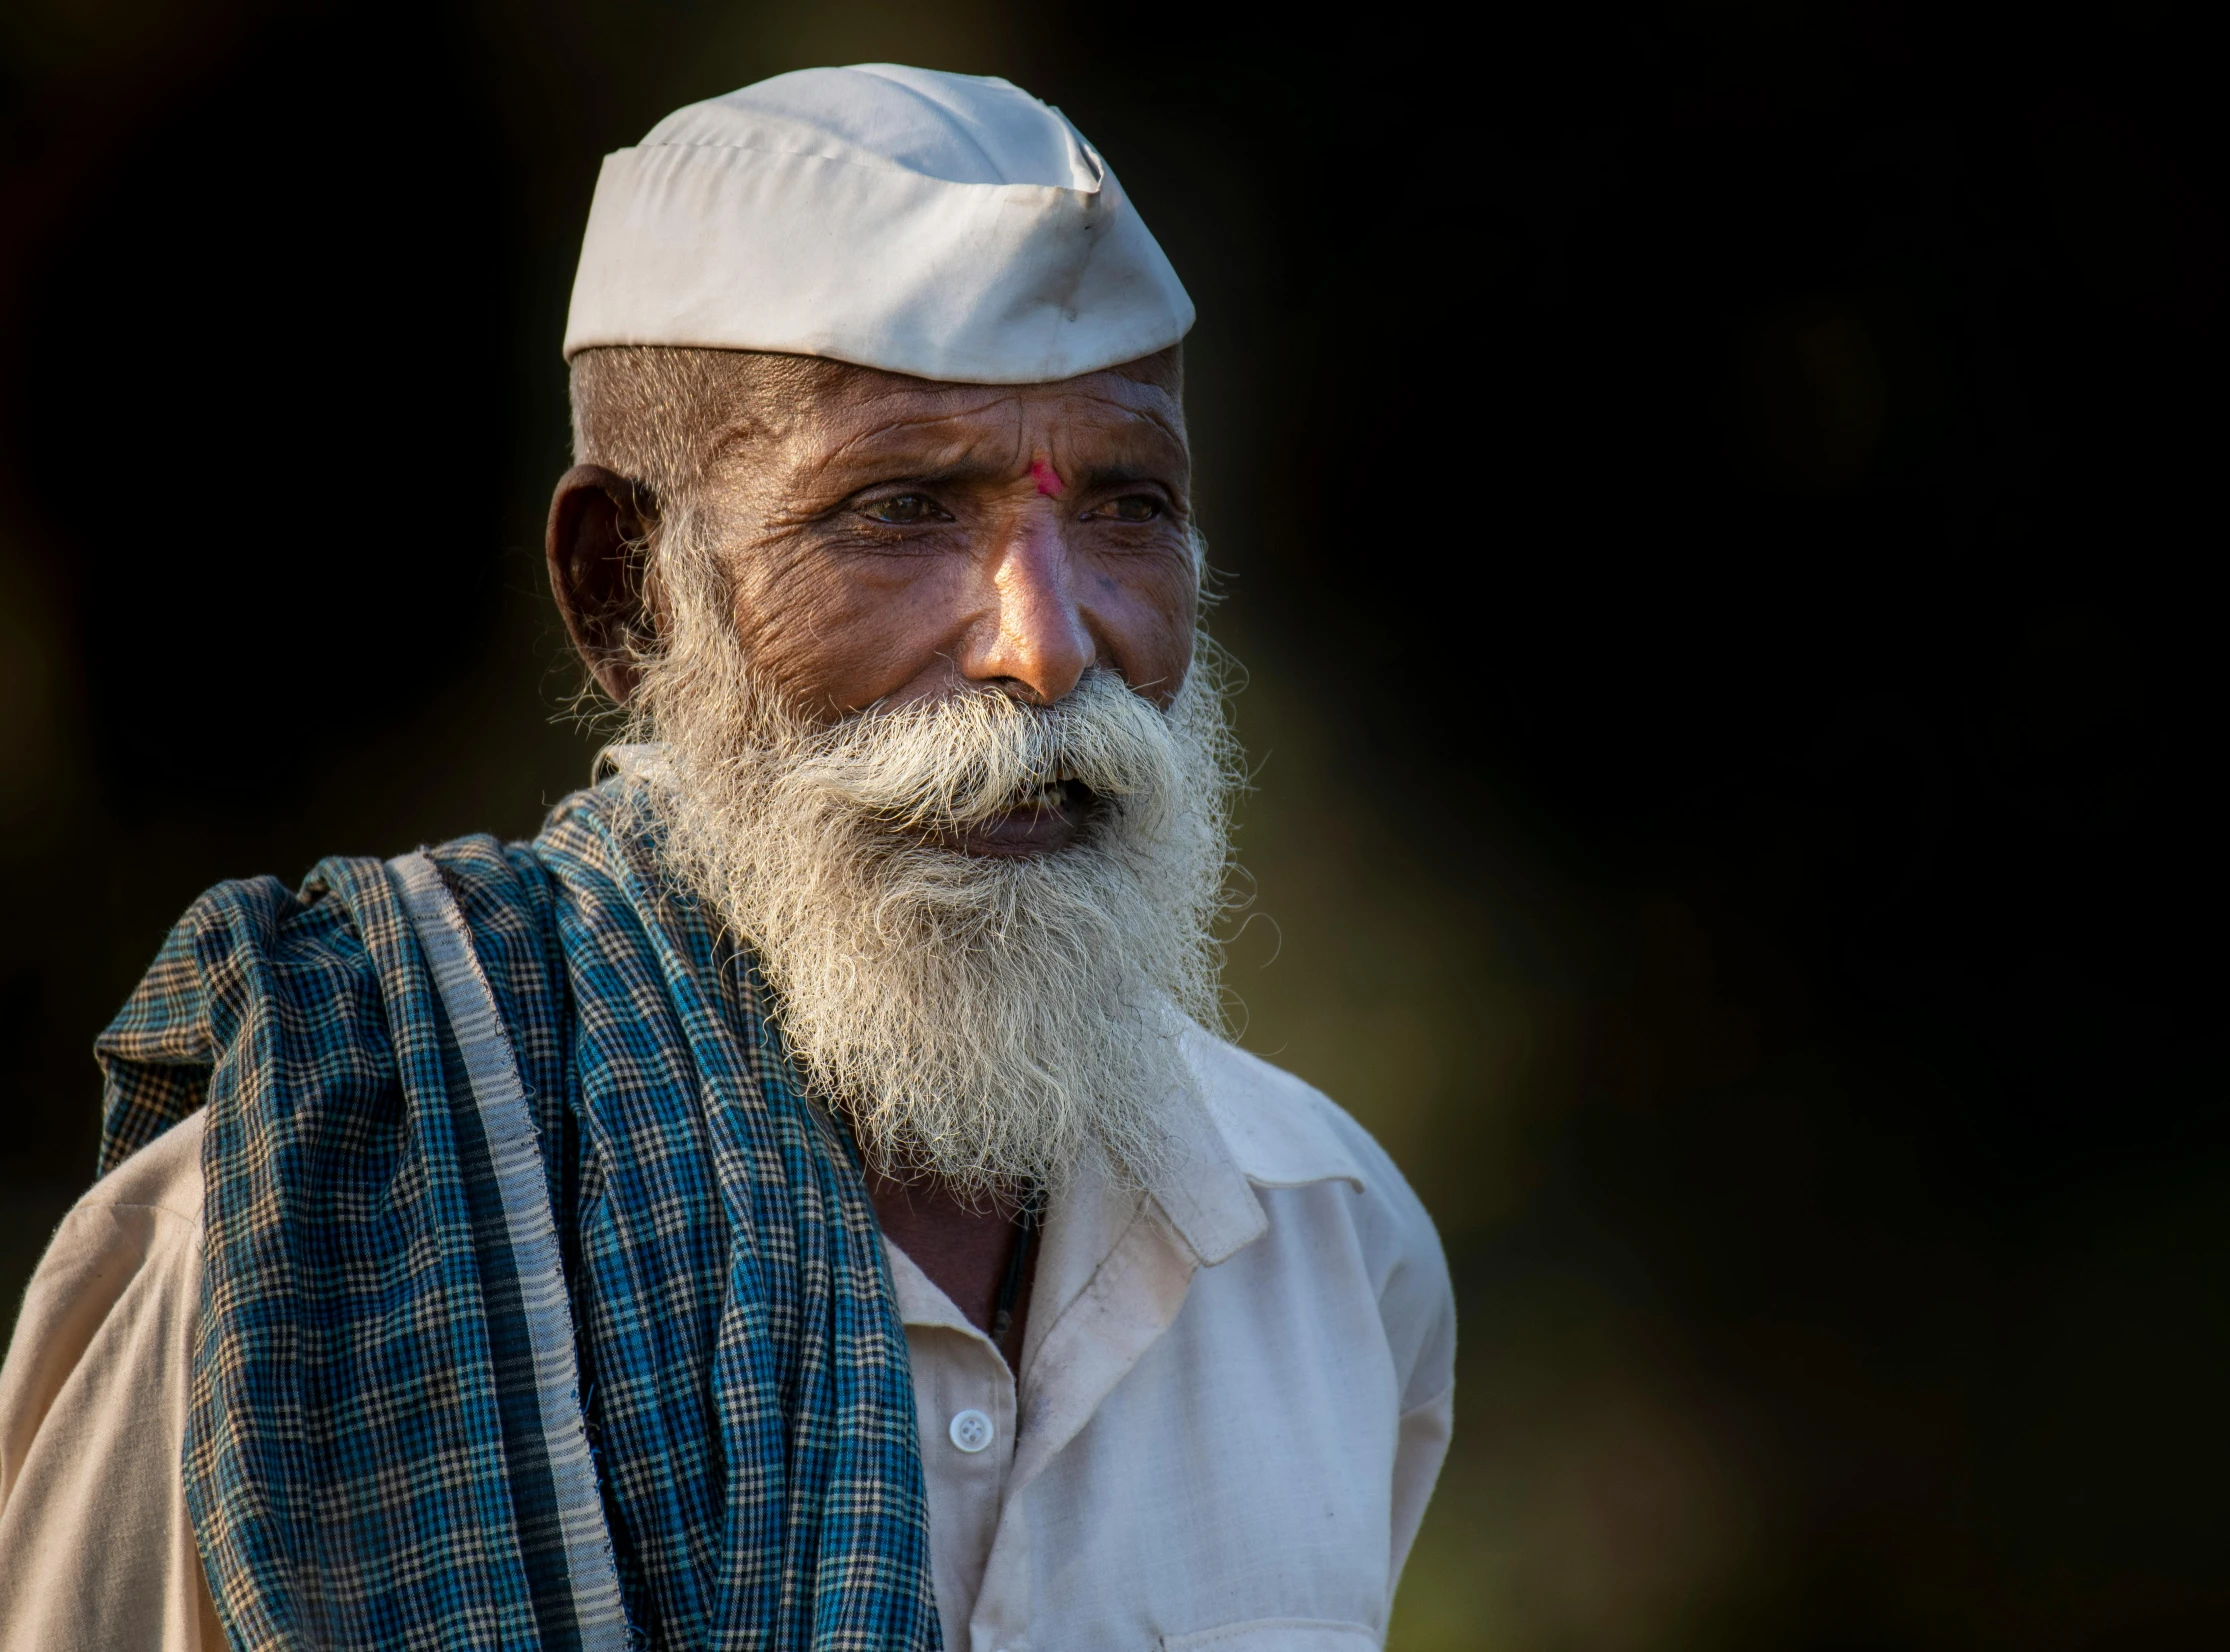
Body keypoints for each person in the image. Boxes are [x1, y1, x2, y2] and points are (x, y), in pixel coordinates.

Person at [0, 64, 1454, 1652]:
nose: (1049, 647)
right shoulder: (285, 1245)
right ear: (626, 592)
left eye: (1123, 509)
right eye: (899, 509)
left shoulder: (1325, 1242)